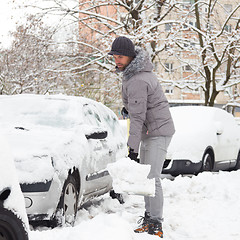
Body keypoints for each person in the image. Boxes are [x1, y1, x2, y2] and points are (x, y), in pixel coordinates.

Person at [109, 36, 175, 238]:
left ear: (130, 56)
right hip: (151, 131)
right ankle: (149, 218)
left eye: (120, 56)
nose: (117, 60)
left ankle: (156, 222)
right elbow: (139, 108)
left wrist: (132, 150)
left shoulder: (137, 79)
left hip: (158, 132)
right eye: (115, 56)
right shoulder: (134, 74)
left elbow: (138, 118)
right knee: (147, 178)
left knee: (152, 178)